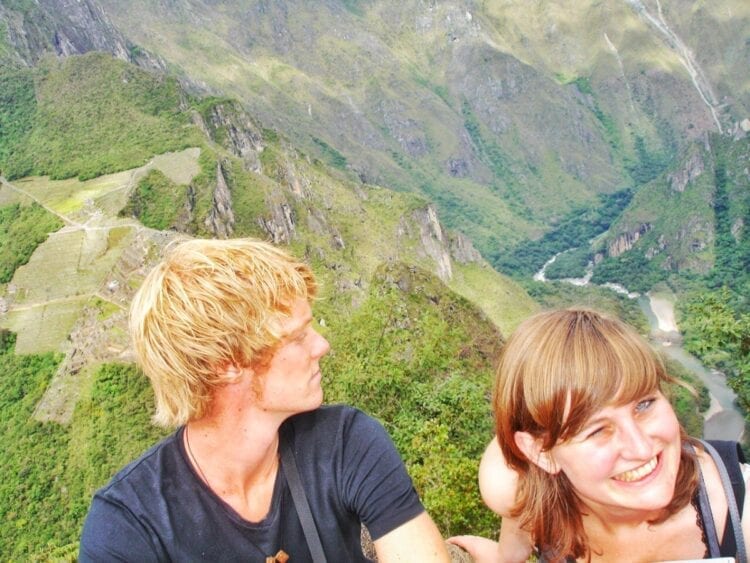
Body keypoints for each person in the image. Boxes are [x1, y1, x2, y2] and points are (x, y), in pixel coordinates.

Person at [79, 237, 449, 562]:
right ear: (226, 364)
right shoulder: (129, 526)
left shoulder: (346, 442)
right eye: (298, 337)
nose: (322, 346)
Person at [449, 308, 750, 562]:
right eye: (597, 430)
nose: (641, 447)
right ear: (541, 453)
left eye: (644, 404)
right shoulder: (517, 488)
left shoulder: (740, 513)